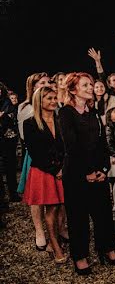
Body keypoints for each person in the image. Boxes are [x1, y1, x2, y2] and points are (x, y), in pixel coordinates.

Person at [58, 72, 115, 275]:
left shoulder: (93, 113)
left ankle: (107, 248)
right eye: (85, 85)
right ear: (73, 89)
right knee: (78, 216)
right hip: (77, 174)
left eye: (91, 84)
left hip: (98, 172)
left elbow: (102, 144)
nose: (90, 87)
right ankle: (80, 255)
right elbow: (71, 145)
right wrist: (86, 172)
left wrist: (103, 169)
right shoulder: (66, 113)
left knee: (103, 213)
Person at [21, 86, 67, 264]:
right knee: (52, 208)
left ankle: (56, 238)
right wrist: (56, 170)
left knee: (62, 207)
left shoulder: (60, 119)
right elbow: (35, 152)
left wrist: (64, 166)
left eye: (55, 97)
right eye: (49, 98)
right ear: (39, 101)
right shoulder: (30, 123)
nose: (54, 101)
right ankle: (55, 246)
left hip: (62, 168)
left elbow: (66, 146)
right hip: (44, 171)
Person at [17, 72, 55, 248]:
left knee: (55, 196)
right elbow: (27, 138)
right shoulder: (26, 107)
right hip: (35, 156)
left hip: (56, 156)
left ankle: (55, 230)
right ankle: (40, 231)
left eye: (49, 82)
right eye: (42, 82)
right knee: (38, 196)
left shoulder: (55, 104)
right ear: (33, 87)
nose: (47, 84)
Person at [0, 83, 19, 208]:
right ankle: (2, 198)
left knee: (10, 167)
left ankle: (13, 193)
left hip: (8, 139)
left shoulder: (7, 102)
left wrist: (3, 116)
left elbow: (9, 118)